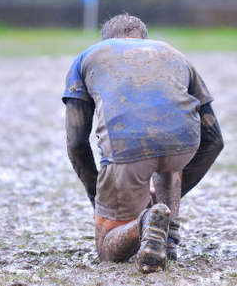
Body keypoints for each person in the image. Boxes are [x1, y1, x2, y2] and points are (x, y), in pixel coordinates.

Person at [62, 14, 223, 273]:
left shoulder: (88, 57)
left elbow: (76, 142)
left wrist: (99, 197)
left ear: (106, 41)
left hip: (127, 148)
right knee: (169, 157)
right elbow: (214, 141)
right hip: (184, 143)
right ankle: (168, 235)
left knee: (107, 248)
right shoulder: (172, 53)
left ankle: (146, 222)